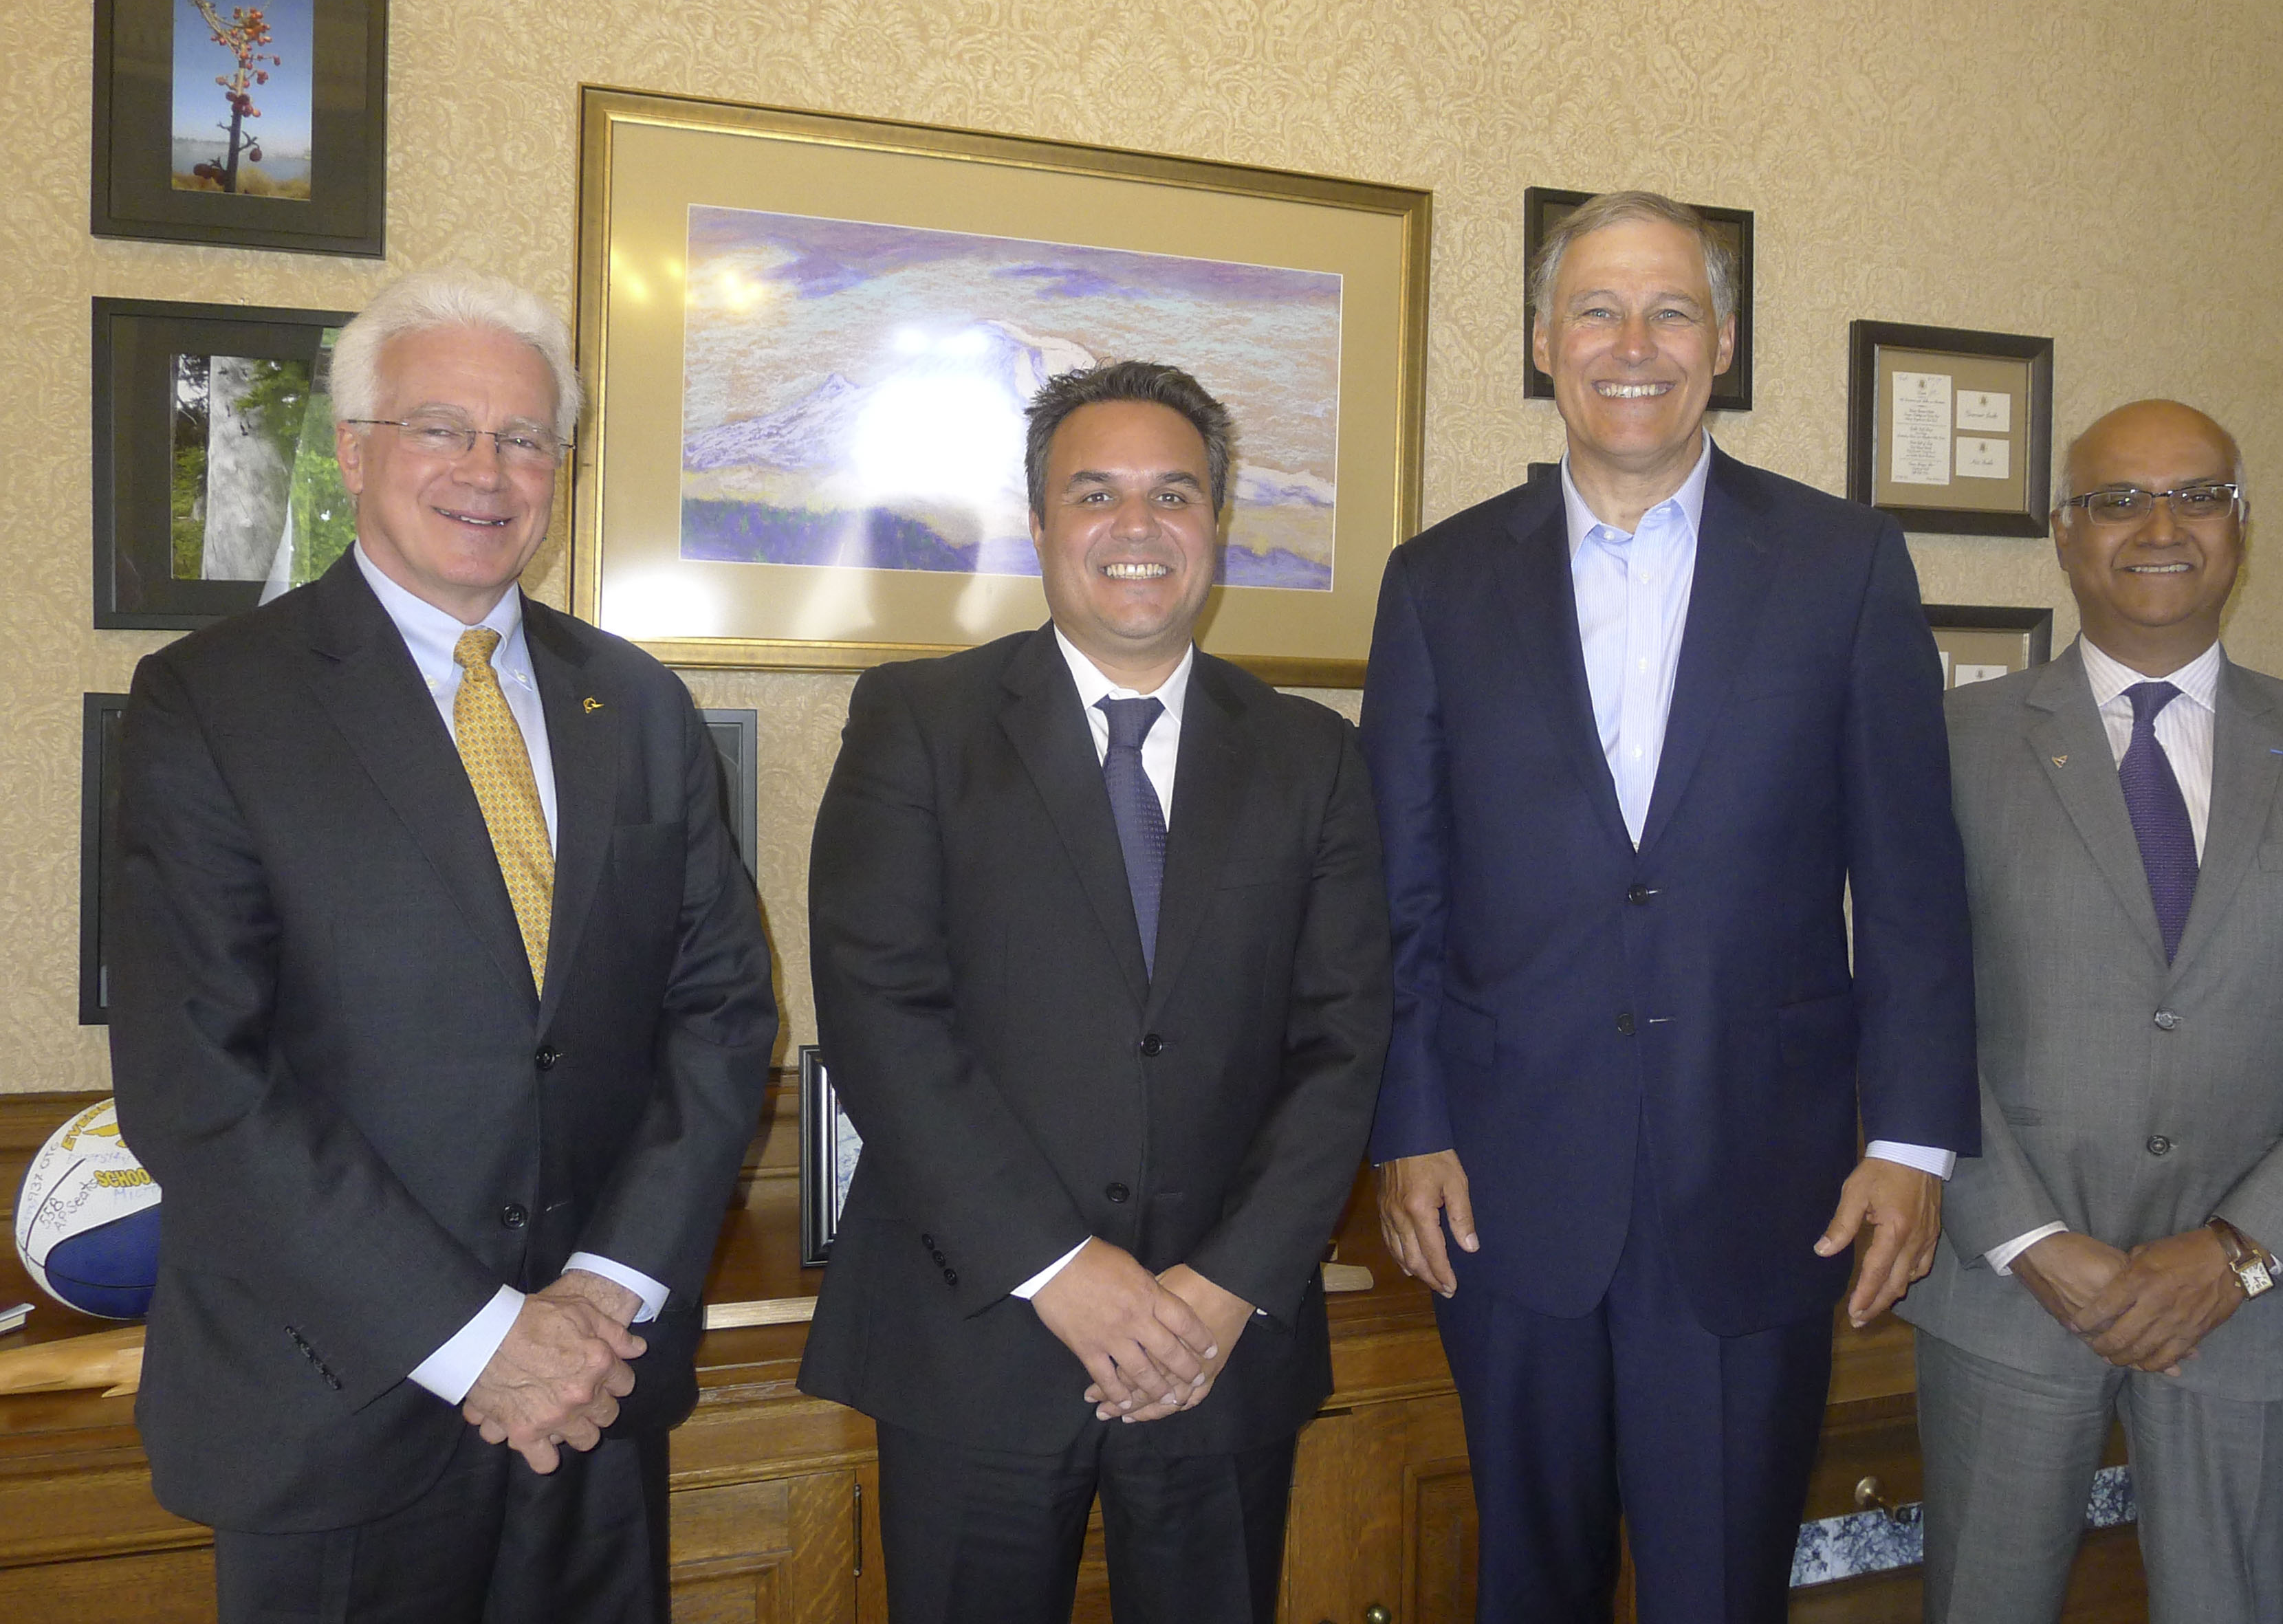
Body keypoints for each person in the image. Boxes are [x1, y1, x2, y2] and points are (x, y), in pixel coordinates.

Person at [110, 268, 780, 1623]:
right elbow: (200, 1081)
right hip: (337, 1406)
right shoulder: (212, 702)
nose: (487, 470)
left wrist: (600, 1295)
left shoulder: (640, 706)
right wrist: (480, 1344)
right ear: (356, 451)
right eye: (441, 428)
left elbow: (720, 1020)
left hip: (595, 1392)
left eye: (525, 437)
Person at [1364, 190, 1980, 1622]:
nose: (1630, 344)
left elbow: (1908, 883)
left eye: (1669, 310)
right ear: (1539, 340)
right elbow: (1396, 888)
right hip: (1500, 1192)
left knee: (1721, 1588)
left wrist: (1910, 1144)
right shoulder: (1438, 583)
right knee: (1534, 1584)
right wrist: (1409, 1126)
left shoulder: (1843, 567)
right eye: (1594, 308)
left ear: (1722, 343)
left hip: (1759, 1181)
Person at [798, 360, 1390, 1623]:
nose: (1137, 528)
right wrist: (1060, 1268)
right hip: (980, 1338)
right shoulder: (919, 720)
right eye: (1095, 494)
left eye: (1174, 495)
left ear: (1216, 528)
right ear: (1040, 525)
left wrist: (1225, 1285)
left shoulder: (1312, 756)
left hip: (1219, 1350)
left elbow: (1344, 1040)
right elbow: (879, 1015)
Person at [1898, 399, 2283, 1624]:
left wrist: (2243, 1251)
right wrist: (2023, 1237)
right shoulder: (1947, 743)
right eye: (2118, 499)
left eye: (2199, 495)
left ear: (2241, 529)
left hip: (2249, 1308)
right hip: (2007, 1288)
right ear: (2063, 532)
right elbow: (1895, 1007)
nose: (2161, 525)